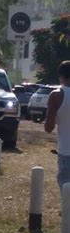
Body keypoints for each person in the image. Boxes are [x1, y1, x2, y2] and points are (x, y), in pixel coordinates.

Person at [45, 61, 70, 192]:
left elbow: (48, 128)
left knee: (66, 189)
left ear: (61, 76)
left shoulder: (57, 95)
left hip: (66, 151)